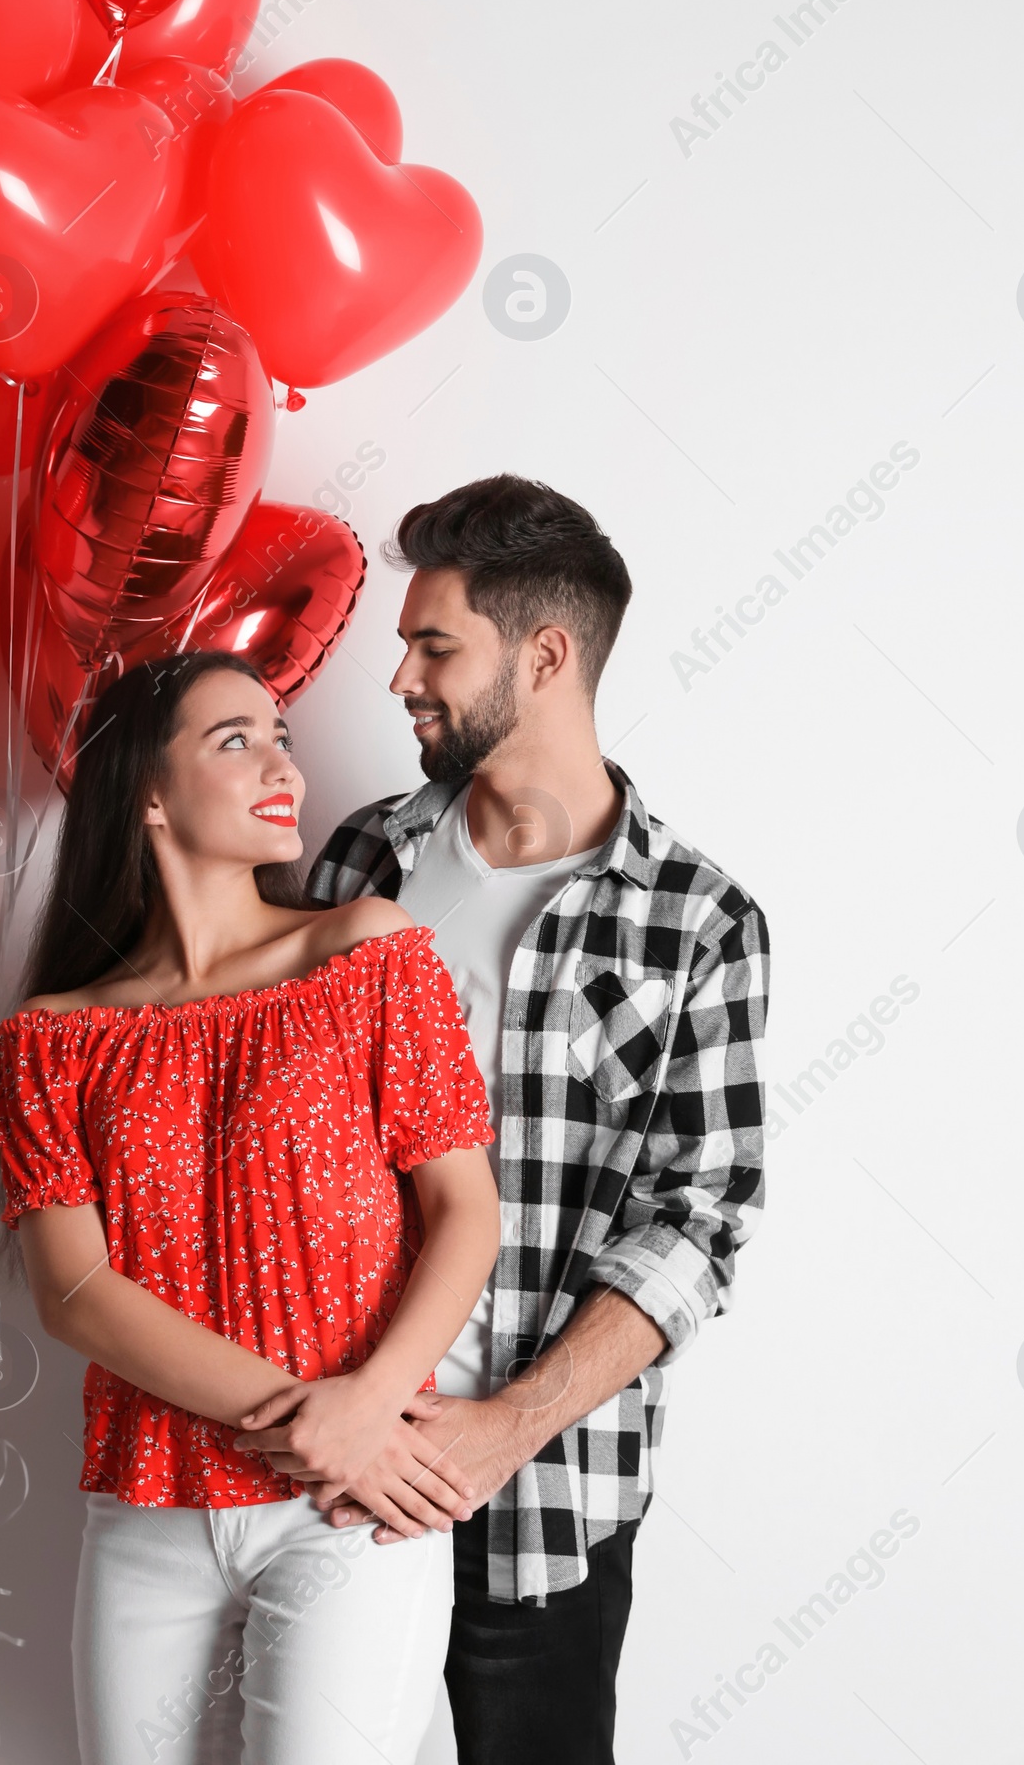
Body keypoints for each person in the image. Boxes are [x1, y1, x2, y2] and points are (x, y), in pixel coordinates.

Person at [252, 475, 769, 1765]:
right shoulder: (359, 866)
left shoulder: (698, 921)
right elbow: (243, 1106)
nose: (398, 681)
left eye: (434, 645)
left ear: (544, 656)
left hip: (540, 1495)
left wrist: (505, 1429)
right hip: (317, 1467)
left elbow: (698, 1224)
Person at [0, 649, 501, 1765]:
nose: (279, 763)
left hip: (348, 1501)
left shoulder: (369, 955)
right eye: (233, 740)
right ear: (145, 793)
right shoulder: (55, 1038)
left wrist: (369, 1407)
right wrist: (313, 1415)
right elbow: (77, 1294)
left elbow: (465, 1213)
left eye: (280, 736)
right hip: (150, 1505)